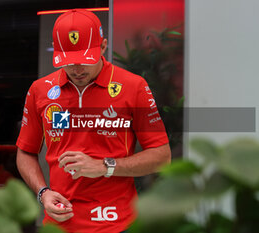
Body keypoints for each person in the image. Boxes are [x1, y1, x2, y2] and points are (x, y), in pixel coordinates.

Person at [16, 9, 171, 233]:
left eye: (84, 60)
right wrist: (43, 193)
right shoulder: (40, 90)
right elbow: (25, 152)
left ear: (104, 46)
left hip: (118, 223)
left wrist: (103, 166)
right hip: (59, 225)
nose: (77, 69)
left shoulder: (133, 86)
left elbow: (162, 156)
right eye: (68, 61)